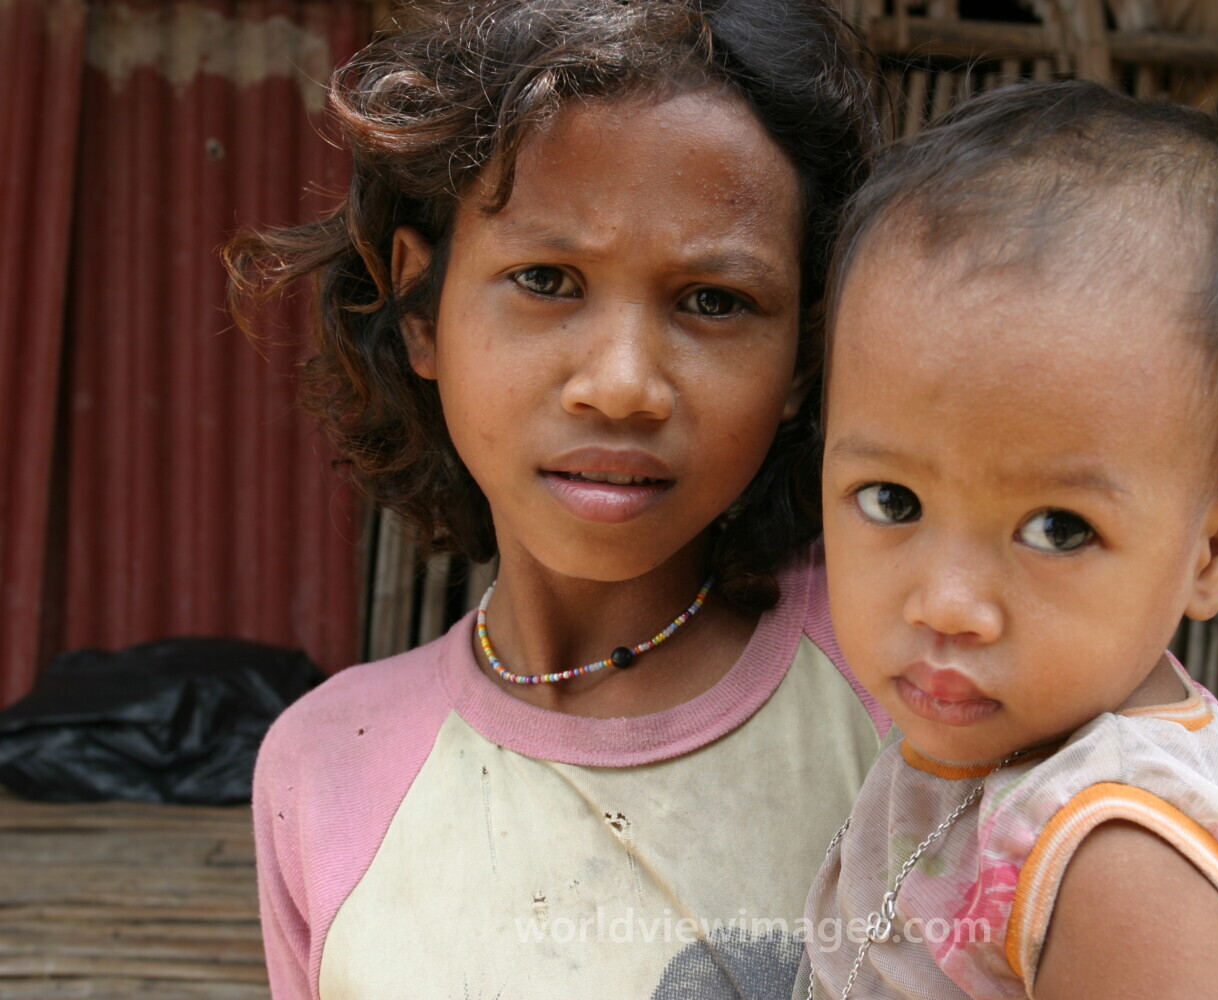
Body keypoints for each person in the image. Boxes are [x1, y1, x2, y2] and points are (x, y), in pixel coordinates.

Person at [224, 2, 889, 997]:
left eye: (714, 300)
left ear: (803, 351)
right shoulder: (328, 771)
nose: (621, 384)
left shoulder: (924, 690)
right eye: (545, 278)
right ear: (421, 309)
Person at [801, 80, 1218, 999]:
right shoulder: (1012, 743)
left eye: (1058, 529)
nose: (946, 602)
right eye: (893, 499)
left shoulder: (1120, 862)